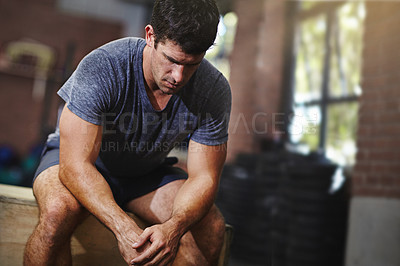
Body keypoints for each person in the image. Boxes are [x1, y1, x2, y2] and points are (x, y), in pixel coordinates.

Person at [23, 0, 231, 265]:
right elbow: (74, 166)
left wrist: (174, 227)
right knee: (56, 212)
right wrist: (122, 227)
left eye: (191, 64)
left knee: (210, 228)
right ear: (150, 36)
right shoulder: (104, 66)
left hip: (145, 173)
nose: (178, 76)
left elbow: (204, 178)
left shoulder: (213, 89)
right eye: (171, 60)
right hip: (80, 163)